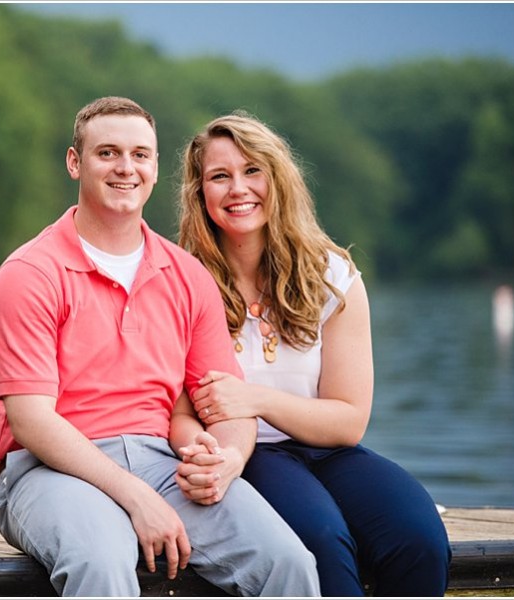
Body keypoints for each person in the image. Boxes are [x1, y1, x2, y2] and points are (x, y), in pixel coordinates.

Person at [0, 97, 320, 597]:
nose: (126, 168)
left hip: (163, 465)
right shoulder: (30, 273)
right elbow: (32, 421)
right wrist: (135, 496)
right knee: (100, 562)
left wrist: (226, 460)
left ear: (156, 168)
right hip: (49, 470)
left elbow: (226, 403)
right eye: (108, 153)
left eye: (140, 155)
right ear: (75, 162)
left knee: (288, 561)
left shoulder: (187, 275)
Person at [174, 111, 452, 596]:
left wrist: (256, 399)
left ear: (279, 179)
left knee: (419, 538)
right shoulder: (180, 281)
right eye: (220, 176)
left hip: (330, 450)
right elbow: (177, 412)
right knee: (322, 538)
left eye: (253, 170)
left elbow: (348, 421)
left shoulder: (331, 276)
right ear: (200, 193)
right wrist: (207, 455)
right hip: (248, 455)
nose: (238, 188)